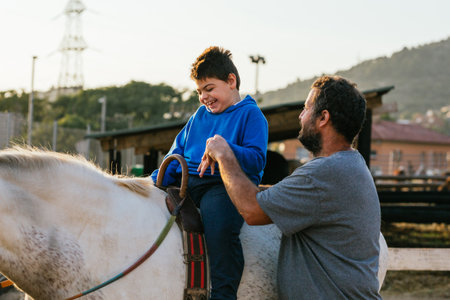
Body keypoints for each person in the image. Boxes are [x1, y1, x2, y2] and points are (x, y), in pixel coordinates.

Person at [198, 75, 382, 299]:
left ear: (323, 117)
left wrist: (225, 154)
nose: (301, 115)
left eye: (306, 108)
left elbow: (252, 211)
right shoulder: (350, 164)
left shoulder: (323, 173)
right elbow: (280, 195)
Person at [151, 46, 268, 300]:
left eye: (209, 89)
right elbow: (177, 150)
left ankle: (223, 293)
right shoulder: (198, 116)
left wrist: (225, 149)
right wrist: (153, 180)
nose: (204, 97)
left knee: (219, 229)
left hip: (224, 186)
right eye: (199, 92)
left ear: (231, 81)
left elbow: (257, 159)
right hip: (189, 180)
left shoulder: (251, 115)